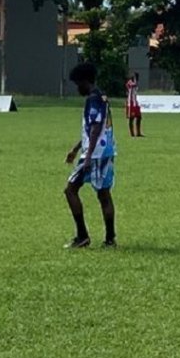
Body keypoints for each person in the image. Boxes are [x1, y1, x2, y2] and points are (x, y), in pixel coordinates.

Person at [63, 61, 117, 249]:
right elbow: (97, 128)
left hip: (94, 154)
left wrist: (86, 157)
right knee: (103, 194)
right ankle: (110, 239)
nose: (78, 88)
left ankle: (82, 236)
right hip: (107, 150)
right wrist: (76, 148)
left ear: (85, 81)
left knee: (70, 190)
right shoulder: (102, 96)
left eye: (78, 84)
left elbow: (94, 129)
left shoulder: (93, 99)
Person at [124, 71, 144, 137]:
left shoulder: (135, 83)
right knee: (131, 118)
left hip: (135, 102)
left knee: (139, 117)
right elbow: (131, 85)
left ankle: (138, 133)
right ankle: (132, 134)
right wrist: (135, 81)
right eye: (136, 77)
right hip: (131, 103)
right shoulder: (129, 83)